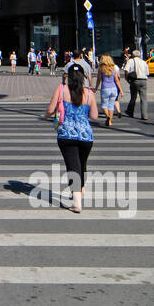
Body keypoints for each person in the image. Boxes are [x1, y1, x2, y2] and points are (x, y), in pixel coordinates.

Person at [46, 65, 100, 213]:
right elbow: (94, 116)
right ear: (83, 78)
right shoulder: (89, 93)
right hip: (86, 136)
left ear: (68, 77)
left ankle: (77, 203)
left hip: (66, 134)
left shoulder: (61, 89)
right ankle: (80, 191)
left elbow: (50, 110)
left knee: (73, 166)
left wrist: (47, 116)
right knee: (81, 164)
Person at [95, 54, 122, 127]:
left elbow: (98, 80)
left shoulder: (101, 69)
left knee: (104, 105)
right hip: (114, 89)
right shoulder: (113, 68)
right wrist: (121, 90)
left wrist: (95, 88)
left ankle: (108, 116)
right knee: (111, 105)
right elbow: (117, 81)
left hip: (105, 88)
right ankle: (110, 121)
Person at [123, 49, 149, 121]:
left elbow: (126, 70)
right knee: (144, 99)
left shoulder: (131, 61)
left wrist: (127, 79)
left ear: (133, 55)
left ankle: (130, 112)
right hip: (144, 81)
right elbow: (147, 73)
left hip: (135, 81)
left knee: (133, 97)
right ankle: (144, 115)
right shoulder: (144, 62)